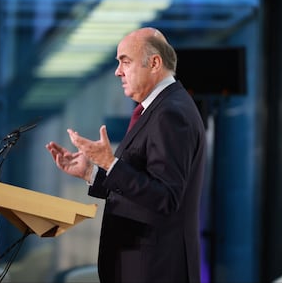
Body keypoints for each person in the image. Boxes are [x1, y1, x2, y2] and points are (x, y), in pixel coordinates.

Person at [46, 27, 206, 283]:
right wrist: (92, 171)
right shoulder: (158, 108)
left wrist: (110, 162)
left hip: (155, 269)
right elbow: (139, 187)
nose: (117, 71)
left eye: (125, 61)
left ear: (154, 63)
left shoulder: (170, 114)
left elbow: (165, 197)